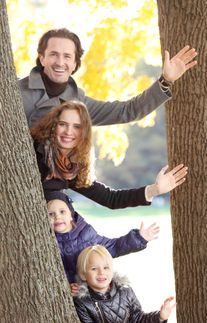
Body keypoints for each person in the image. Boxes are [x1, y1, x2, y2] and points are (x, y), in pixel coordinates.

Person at [19, 28, 197, 128]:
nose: (60, 62)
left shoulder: (78, 103)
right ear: (42, 58)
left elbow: (126, 111)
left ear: (74, 64)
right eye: (53, 55)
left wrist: (165, 80)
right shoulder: (15, 91)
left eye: (67, 56)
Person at [31, 100, 188, 209]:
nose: (68, 132)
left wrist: (155, 189)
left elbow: (111, 198)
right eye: (62, 124)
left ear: (83, 133)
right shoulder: (34, 148)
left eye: (76, 127)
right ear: (53, 126)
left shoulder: (69, 168)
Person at [45, 191, 160, 288]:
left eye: (62, 212)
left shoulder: (85, 233)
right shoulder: (47, 241)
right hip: (70, 291)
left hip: (93, 288)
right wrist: (67, 285)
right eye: (50, 214)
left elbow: (112, 247)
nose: (57, 217)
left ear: (71, 214)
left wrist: (139, 238)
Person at [74, 245, 176, 323]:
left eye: (106, 267)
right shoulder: (83, 303)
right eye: (94, 268)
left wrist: (160, 317)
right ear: (83, 275)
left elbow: (137, 321)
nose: (101, 272)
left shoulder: (125, 291)